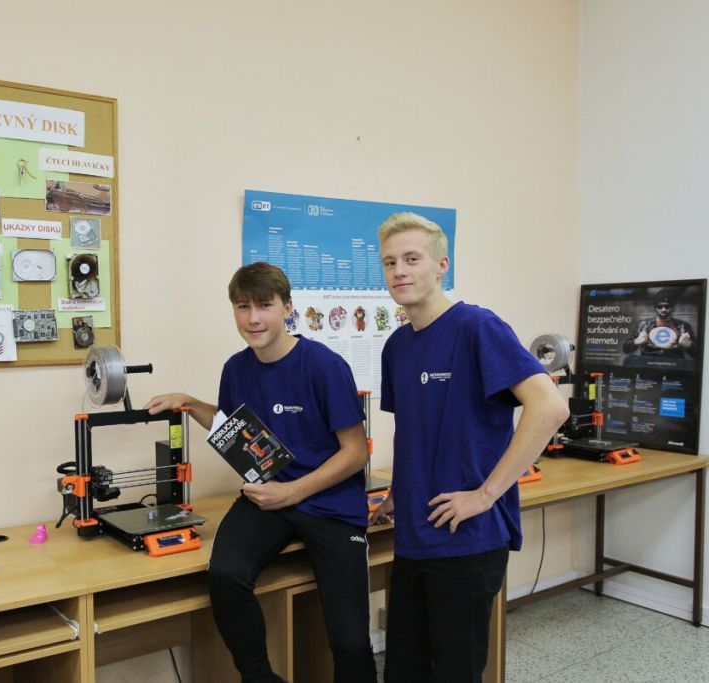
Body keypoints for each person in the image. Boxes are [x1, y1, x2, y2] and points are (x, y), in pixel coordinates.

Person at [146, 262, 376, 683]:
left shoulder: (324, 366)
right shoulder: (236, 368)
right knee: (225, 574)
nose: (253, 318)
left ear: (287, 308)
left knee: (349, 641)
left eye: (264, 305)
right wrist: (189, 402)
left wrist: (294, 492)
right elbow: (234, 428)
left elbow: (356, 452)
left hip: (329, 503)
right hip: (268, 498)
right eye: (242, 307)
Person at [371, 213, 568, 682]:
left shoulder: (478, 327)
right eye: (390, 262)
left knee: (456, 672)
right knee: (404, 670)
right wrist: (398, 492)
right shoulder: (396, 346)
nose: (399, 271)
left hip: (467, 537)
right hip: (414, 534)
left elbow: (549, 407)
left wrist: (484, 495)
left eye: (412, 259)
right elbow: (412, 428)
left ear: (442, 265)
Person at [622, 293, 697, 362]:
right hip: (649, 363)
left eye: (667, 306)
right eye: (660, 307)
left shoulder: (683, 325)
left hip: (673, 363)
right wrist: (636, 341)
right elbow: (626, 349)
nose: (663, 309)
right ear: (655, 308)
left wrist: (689, 344)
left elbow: (698, 353)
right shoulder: (644, 325)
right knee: (629, 360)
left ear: (672, 308)